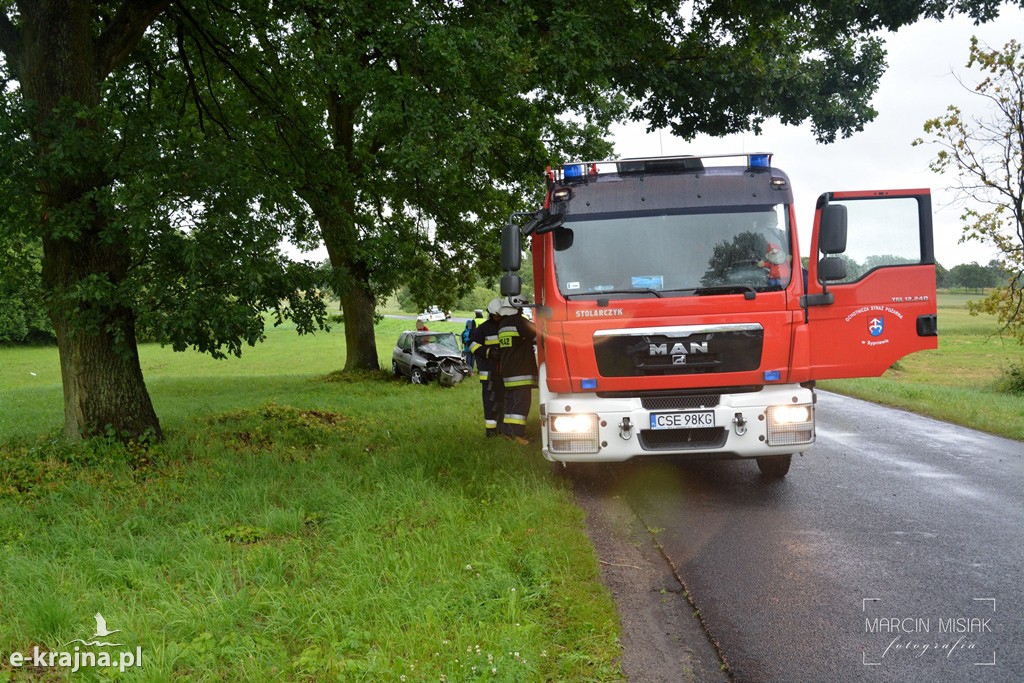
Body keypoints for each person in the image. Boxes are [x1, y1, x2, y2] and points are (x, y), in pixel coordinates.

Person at [497, 298, 537, 445]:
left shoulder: (502, 324)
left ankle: (508, 432)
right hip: (521, 371)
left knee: (511, 404)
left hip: (508, 371)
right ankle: (518, 435)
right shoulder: (519, 322)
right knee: (521, 404)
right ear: (517, 308)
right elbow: (538, 333)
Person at [469, 299, 504, 438]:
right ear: (491, 314)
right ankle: (491, 431)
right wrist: (488, 352)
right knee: (490, 403)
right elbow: (472, 345)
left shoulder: (505, 326)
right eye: (496, 315)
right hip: (488, 373)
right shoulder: (483, 328)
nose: (498, 317)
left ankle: (503, 429)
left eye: (500, 315)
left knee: (503, 402)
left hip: (503, 372)